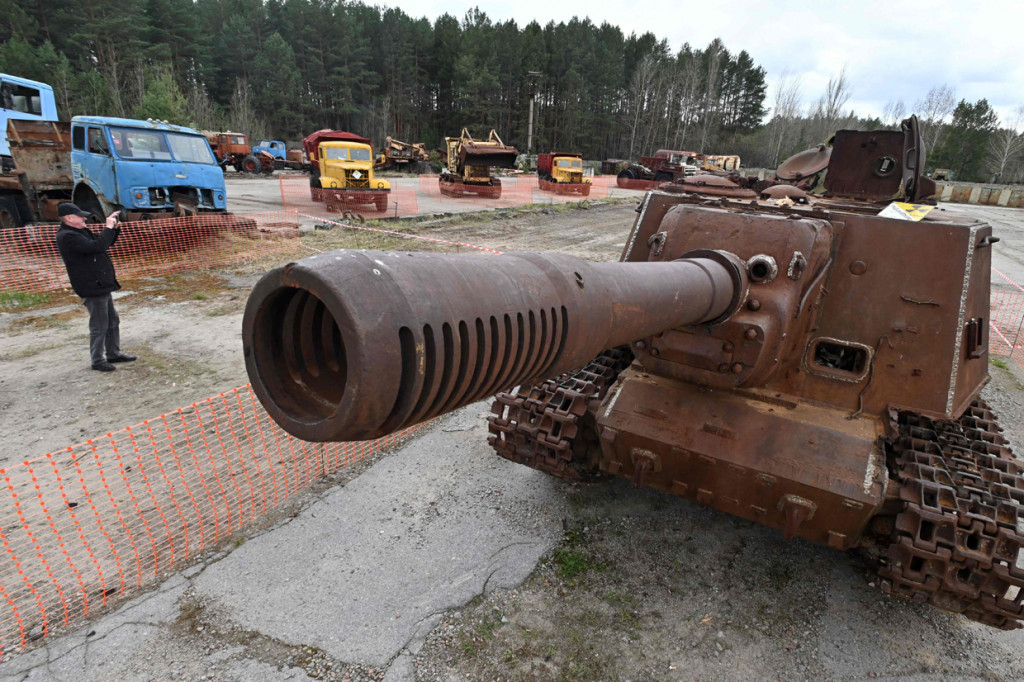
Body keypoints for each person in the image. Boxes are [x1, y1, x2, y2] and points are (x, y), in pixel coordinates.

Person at [55, 202, 137, 372]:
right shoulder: (68, 236)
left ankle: (113, 353)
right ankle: (97, 360)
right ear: (69, 218)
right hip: (90, 285)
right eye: (80, 216)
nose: (85, 218)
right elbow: (97, 247)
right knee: (99, 325)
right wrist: (107, 228)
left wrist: (113, 229)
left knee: (112, 321)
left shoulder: (79, 231)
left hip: (100, 283)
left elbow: (103, 244)